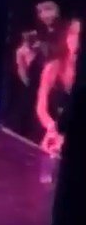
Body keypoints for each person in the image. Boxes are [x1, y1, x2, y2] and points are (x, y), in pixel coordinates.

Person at [36, 18, 81, 181]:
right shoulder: (52, 68)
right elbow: (41, 107)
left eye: (80, 35)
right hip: (52, 137)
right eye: (73, 34)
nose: (76, 39)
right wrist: (52, 128)